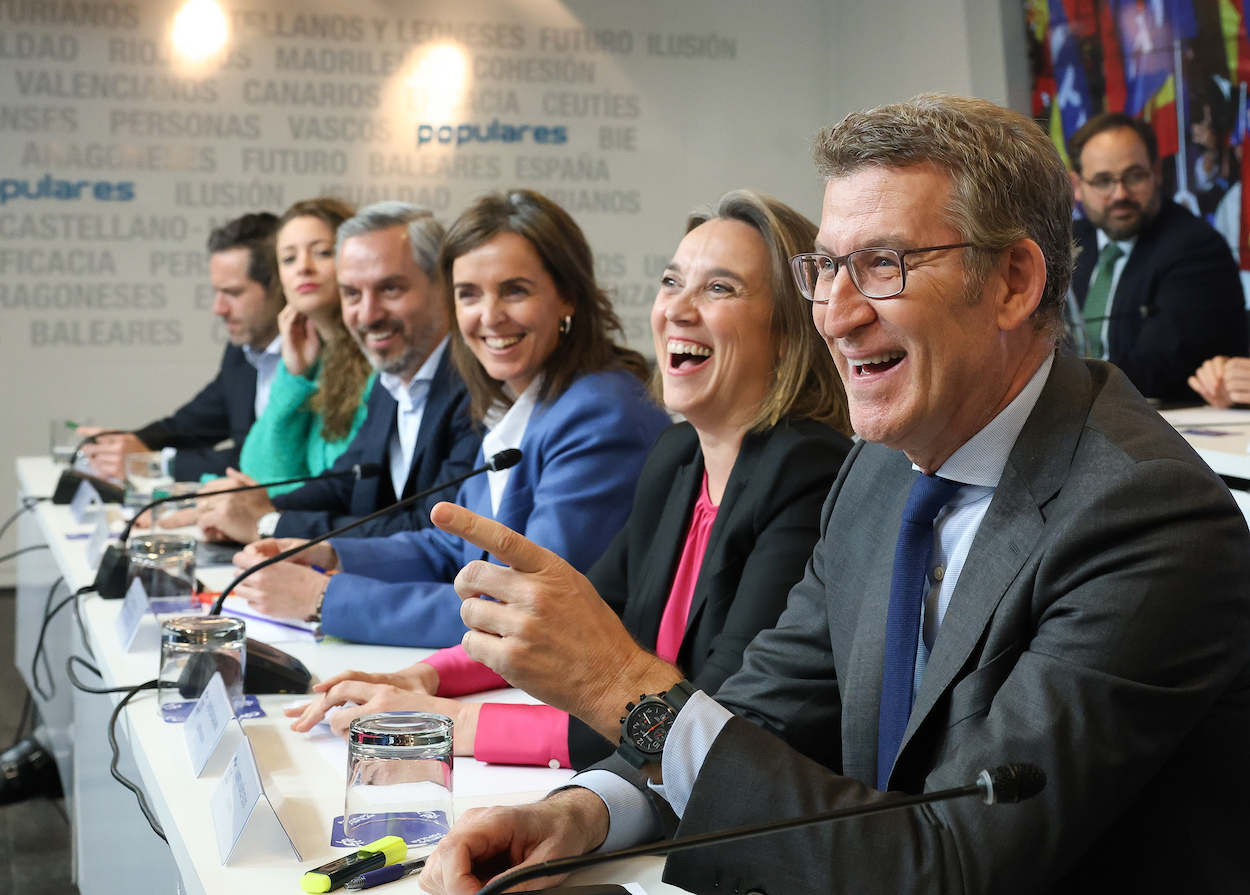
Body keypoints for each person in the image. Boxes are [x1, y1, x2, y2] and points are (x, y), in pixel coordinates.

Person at [414, 96, 1250, 895]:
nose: (835, 314)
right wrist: (588, 811)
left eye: (882, 266)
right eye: (824, 269)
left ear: (1013, 282)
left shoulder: (1145, 519)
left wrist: (622, 688)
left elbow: (956, 865)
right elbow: (766, 708)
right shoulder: (881, 470)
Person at [286, 189, 855, 770]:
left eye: (719, 288)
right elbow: (569, 618)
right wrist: (424, 676)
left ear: (790, 328)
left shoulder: (805, 470)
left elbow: (709, 719)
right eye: (671, 282)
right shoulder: (678, 454)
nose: (678, 310)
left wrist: (454, 724)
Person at [231, 189, 672, 648]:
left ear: (568, 297)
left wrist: (326, 598)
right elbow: (454, 549)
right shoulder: (513, 398)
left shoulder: (601, 415)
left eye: (514, 291)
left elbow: (521, 608)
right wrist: (328, 555)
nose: (490, 317)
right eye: (470, 295)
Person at [193, 202, 481, 541]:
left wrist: (269, 523)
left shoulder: (476, 388)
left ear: (444, 285)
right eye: (352, 294)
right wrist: (250, 507)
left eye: (390, 289)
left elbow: (432, 531)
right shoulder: (392, 381)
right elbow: (346, 481)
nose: (369, 315)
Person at [79, 212, 283, 481]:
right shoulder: (241, 352)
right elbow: (189, 426)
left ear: (279, 287)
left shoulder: (314, 359)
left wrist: (154, 463)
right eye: (216, 292)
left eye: (233, 293)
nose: (218, 309)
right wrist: (124, 444)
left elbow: (265, 462)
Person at [1068, 111, 1247, 402]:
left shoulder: (1195, 248)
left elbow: (1154, 369)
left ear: (1158, 172)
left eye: (1135, 176)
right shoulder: (1066, 243)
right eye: (1103, 181)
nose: (1120, 194)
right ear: (1077, 186)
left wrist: (1051, 388)